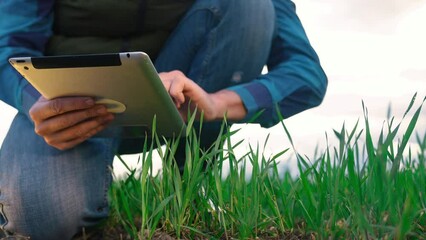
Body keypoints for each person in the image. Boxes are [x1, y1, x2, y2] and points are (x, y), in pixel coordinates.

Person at [0, 0, 327, 239]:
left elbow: (306, 76)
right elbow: (7, 48)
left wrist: (216, 103)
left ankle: (189, 186)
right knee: (40, 222)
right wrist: (37, 102)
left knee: (251, 6)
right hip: (69, 103)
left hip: (179, 101)